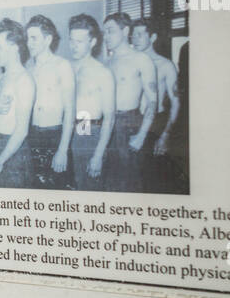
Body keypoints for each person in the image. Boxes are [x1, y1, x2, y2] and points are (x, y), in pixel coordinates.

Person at [102, 12, 156, 192]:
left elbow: (152, 101)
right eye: (104, 32)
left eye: (110, 31)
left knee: (130, 184)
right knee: (109, 182)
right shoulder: (107, 62)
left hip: (129, 124)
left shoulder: (141, 59)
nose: (106, 36)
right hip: (106, 124)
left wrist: (141, 135)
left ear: (125, 31)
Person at [23, 14, 75, 189]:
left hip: (55, 137)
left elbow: (70, 111)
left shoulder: (62, 66)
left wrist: (62, 150)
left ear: (48, 39)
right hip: (32, 138)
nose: (29, 43)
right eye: (27, 38)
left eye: (34, 38)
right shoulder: (28, 70)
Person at [130, 20, 181, 191]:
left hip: (155, 127)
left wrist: (165, 135)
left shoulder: (165, 65)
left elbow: (175, 103)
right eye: (133, 34)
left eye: (140, 34)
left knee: (151, 180)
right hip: (131, 122)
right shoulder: (129, 63)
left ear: (152, 37)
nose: (135, 39)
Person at [67, 14, 115, 190]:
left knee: (88, 189)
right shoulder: (65, 67)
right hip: (65, 131)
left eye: (79, 41)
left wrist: (98, 155)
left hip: (88, 132)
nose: (73, 46)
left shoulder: (102, 73)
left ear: (93, 42)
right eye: (71, 40)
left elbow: (110, 118)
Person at [0, 19, 34, 187]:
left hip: (14, 153)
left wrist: (0, 161)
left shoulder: (24, 80)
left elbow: (21, 131)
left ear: (14, 48)